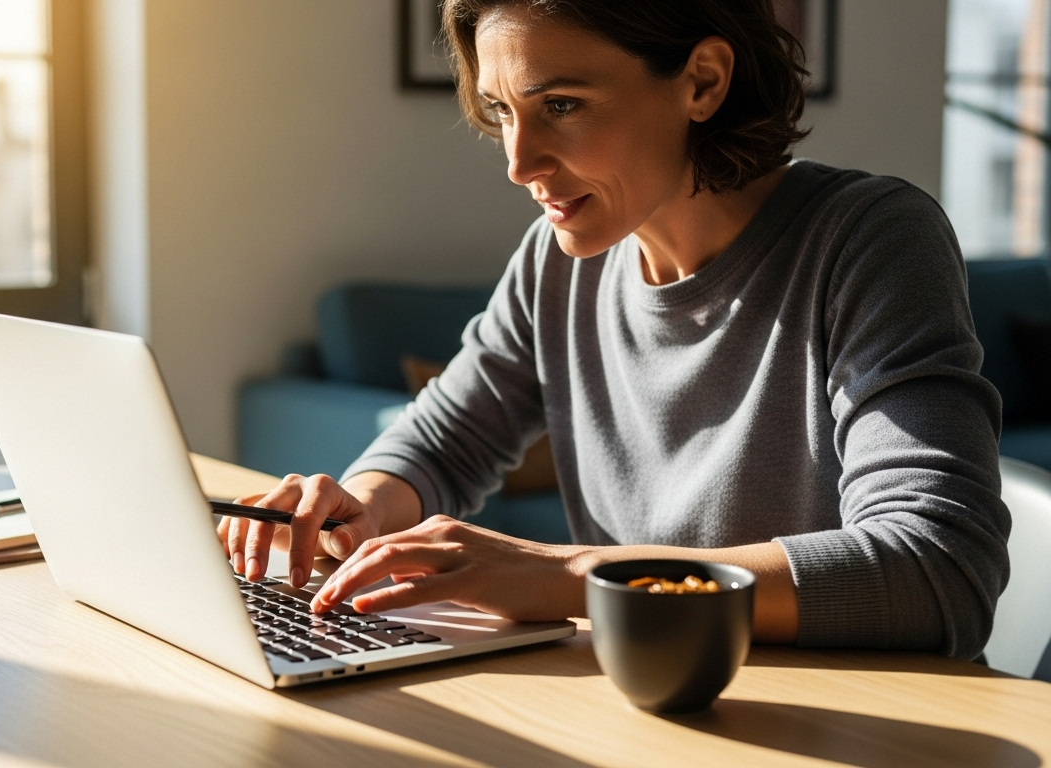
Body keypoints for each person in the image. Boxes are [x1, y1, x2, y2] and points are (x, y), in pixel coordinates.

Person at [218, 0, 1010, 659]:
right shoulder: (558, 263)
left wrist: (570, 576)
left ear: (702, 81)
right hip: (654, 703)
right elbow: (444, 441)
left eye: (560, 105)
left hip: (855, 719)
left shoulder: (869, 239)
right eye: (503, 111)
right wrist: (360, 508)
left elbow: (936, 568)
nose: (519, 163)